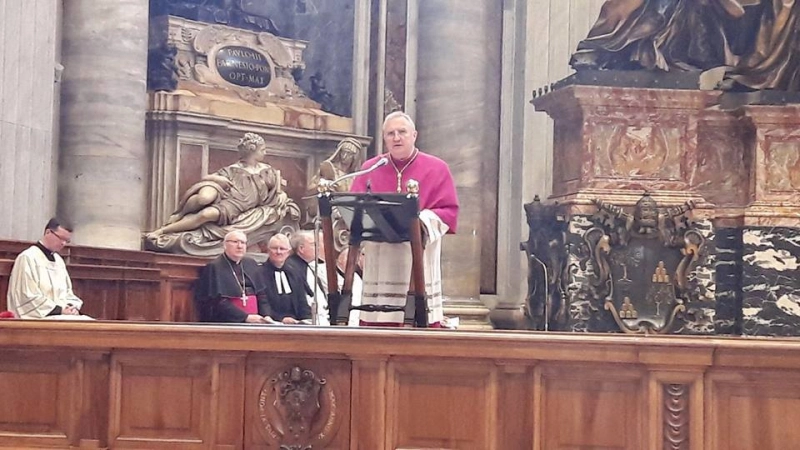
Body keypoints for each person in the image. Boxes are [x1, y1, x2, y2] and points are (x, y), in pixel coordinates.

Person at [350, 111, 459, 326]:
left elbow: (448, 210)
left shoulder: (437, 168)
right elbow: (354, 208)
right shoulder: (371, 168)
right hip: (381, 255)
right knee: (379, 318)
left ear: (414, 135)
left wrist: (420, 221)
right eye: (390, 133)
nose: (396, 138)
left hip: (417, 254)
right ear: (384, 138)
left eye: (402, 132)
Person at [6, 218, 87, 319]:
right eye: (61, 238)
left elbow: (67, 293)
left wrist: (71, 307)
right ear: (48, 232)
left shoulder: (59, 261)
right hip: (38, 317)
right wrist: (60, 310)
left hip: (61, 315)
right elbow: (26, 296)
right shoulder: (28, 258)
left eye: (67, 240)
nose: (63, 243)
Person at [193, 230, 270, 323]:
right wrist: (245, 317)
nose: (240, 246)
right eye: (235, 242)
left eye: (243, 243)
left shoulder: (251, 264)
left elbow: (262, 295)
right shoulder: (215, 267)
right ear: (225, 245)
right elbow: (217, 302)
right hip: (229, 322)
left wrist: (266, 316)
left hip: (256, 321)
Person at [262, 234, 312, 324]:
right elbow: (263, 303)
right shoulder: (260, 273)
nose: (278, 252)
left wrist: (307, 319)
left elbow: (302, 300)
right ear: (268, 251)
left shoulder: (295, 272)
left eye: (282, 249)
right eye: (274, 248)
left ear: (288, 252)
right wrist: (281, 319)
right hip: (272, 323)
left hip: (295, 322)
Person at [288, 231, 330, 325]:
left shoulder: (307, 266)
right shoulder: (292, 268)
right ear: (301, 248)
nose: (317, 248)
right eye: (313, 244)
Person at [335, 247, 362, 327]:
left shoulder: (356, 277)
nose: (352, 263)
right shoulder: (330, 275)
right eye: (348, 259)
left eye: (355, 261)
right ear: (339, 259)